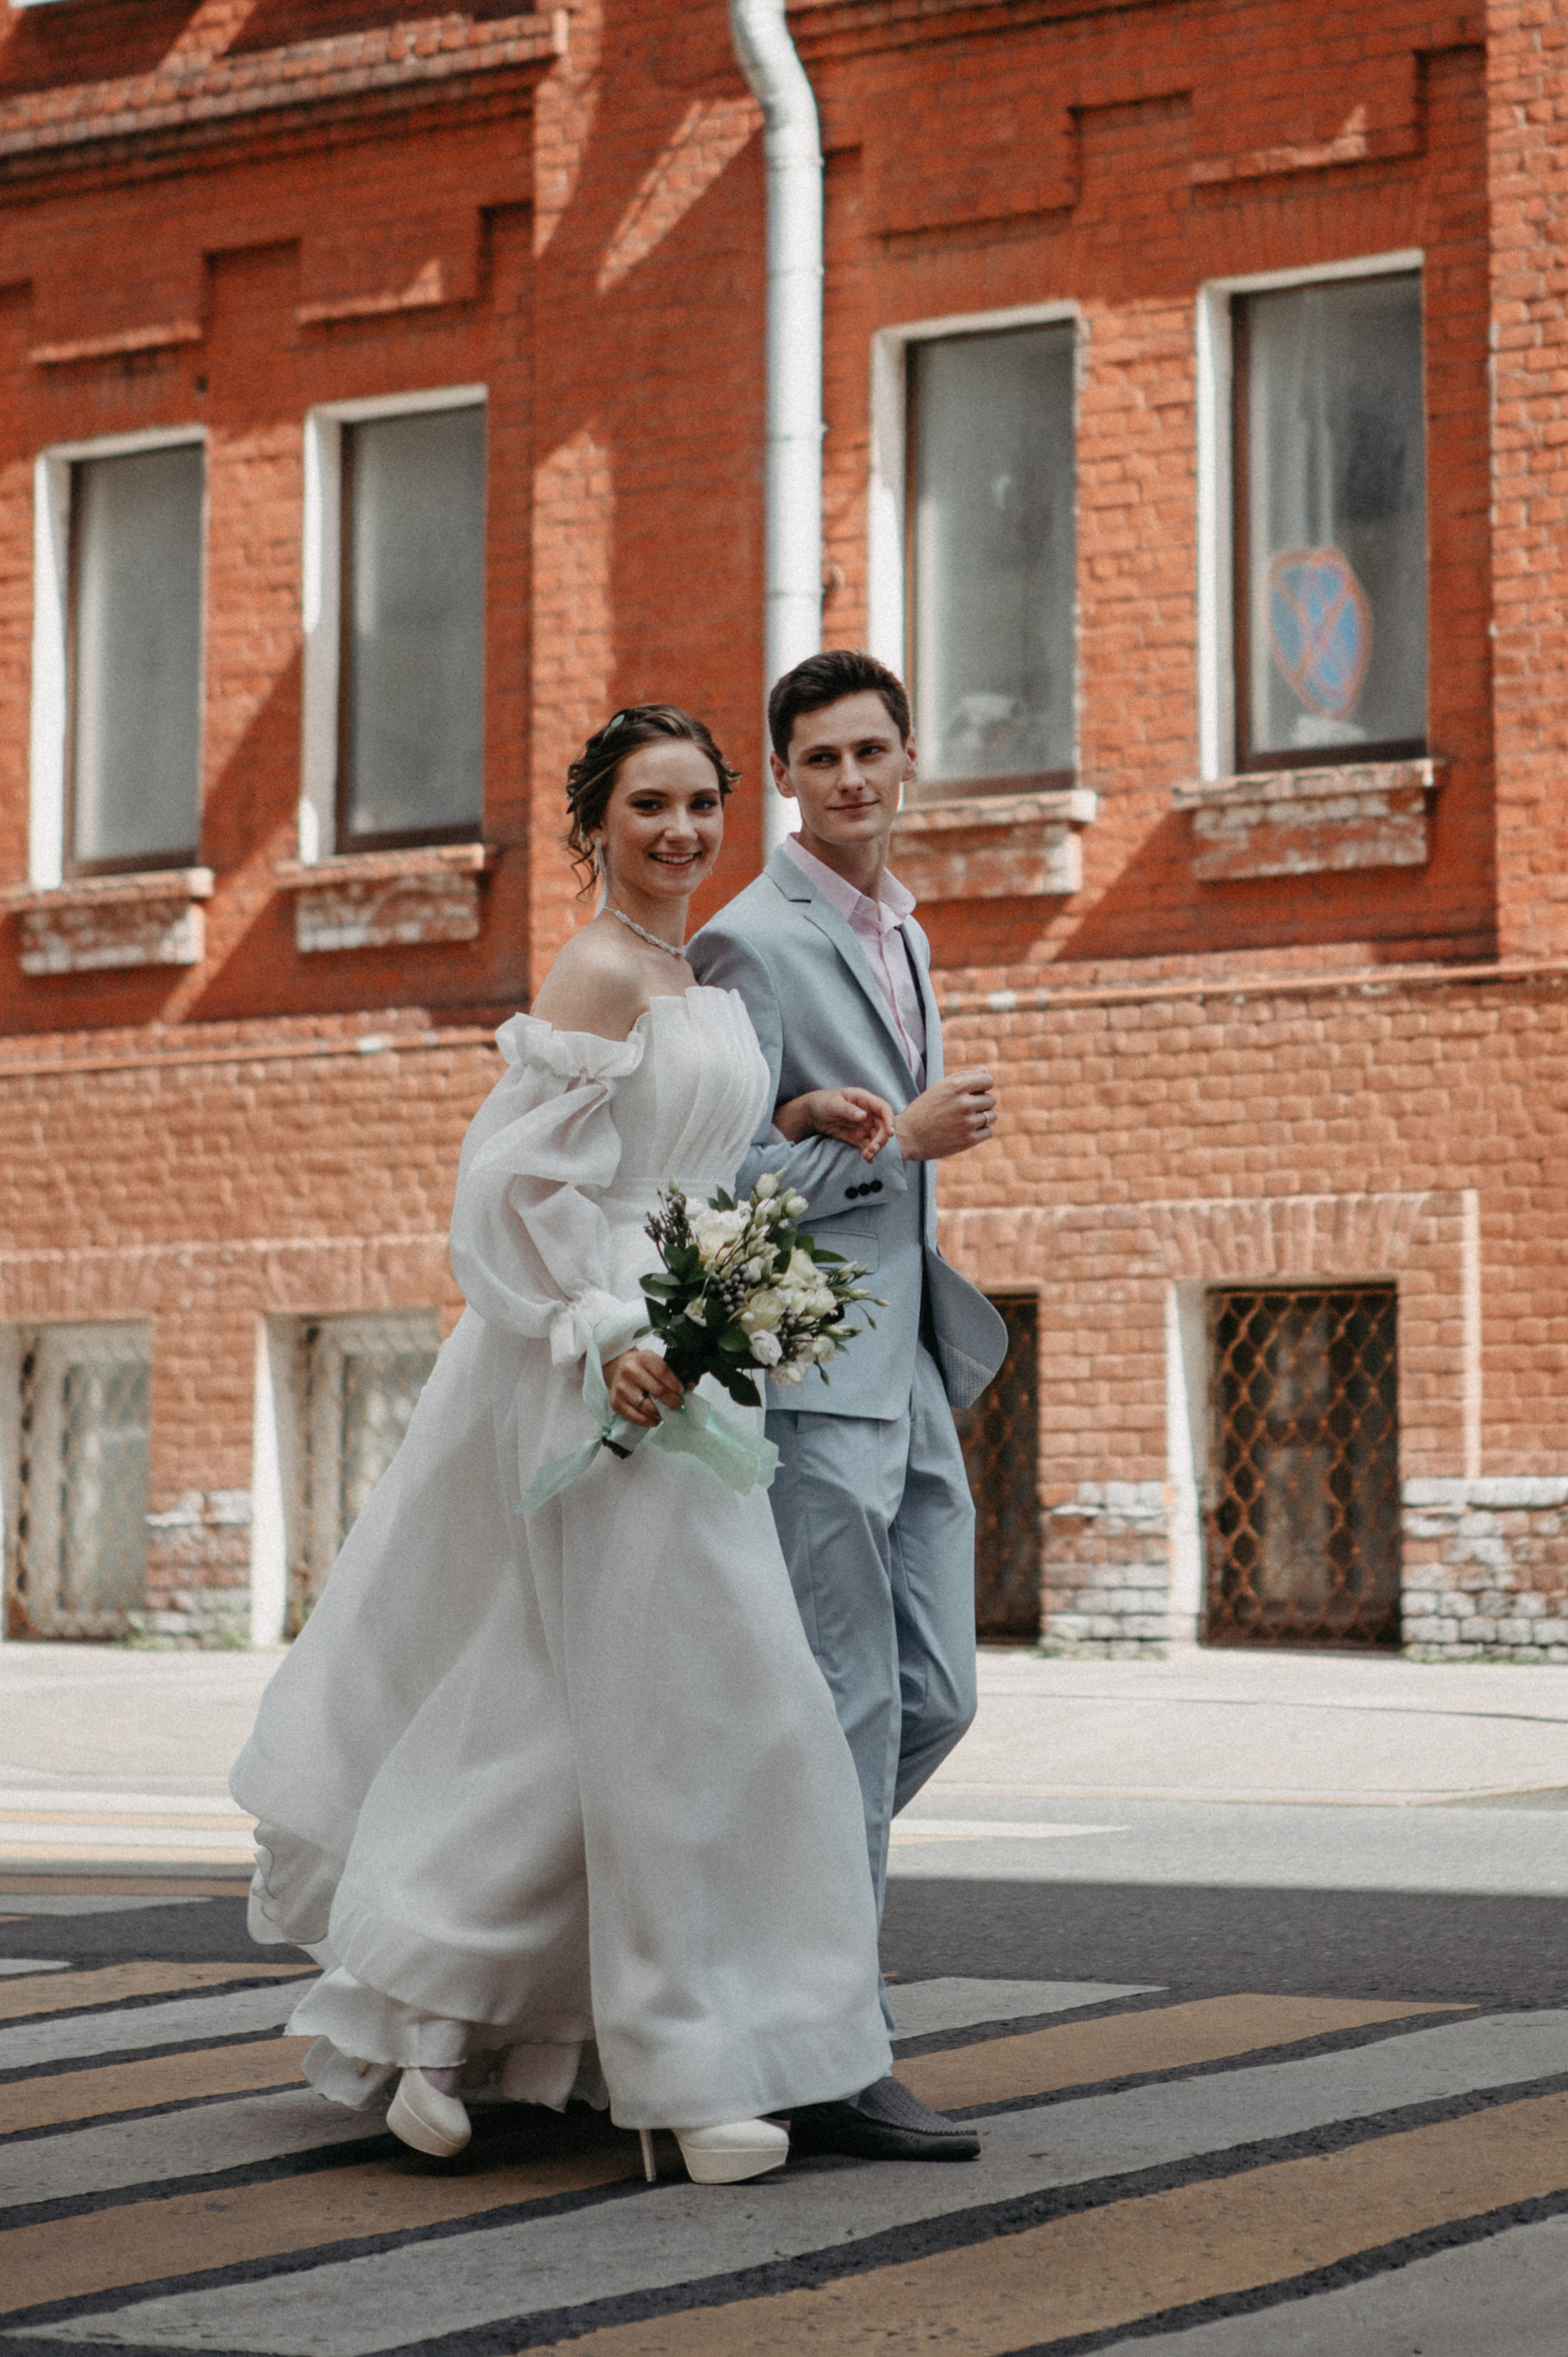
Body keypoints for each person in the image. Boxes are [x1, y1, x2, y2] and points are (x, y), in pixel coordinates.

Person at [231, 706, 890, 2187]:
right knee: (689, 1705)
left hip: (697, 1347)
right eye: (649, 806)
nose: (681, 831)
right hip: (604, 1360)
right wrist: (603, 1332)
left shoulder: (688, 970)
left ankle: (438, 2015)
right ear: (593, 825)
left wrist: (792, 1110)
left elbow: (674, 1147)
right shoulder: (595, 968)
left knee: (605, 1703)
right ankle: (687, 2071)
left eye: (702, 804)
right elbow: (512, 1192)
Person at [689, 650, 1008, 2165]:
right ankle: (835, 2046)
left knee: (935, 1693)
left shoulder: (903, 927)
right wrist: (900, 1142)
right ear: (784, 780)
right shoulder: (752, 940)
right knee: (851, 1707)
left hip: (913, 1360)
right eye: (821, 759)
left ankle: (765, 1930)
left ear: (909, 759)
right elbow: (713, 1177)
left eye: (872, 751)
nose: (852, 780)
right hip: (816, 1372)